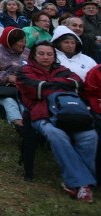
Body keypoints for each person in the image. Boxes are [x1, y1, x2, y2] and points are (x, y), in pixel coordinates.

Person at [17, 41, 96, 203]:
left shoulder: (63, 70)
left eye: (49, 54)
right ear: (34, 55)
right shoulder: (25, 71)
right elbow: (32, 89)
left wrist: (46, 87)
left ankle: (77, 182)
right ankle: (82, 184)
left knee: (89, 136)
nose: (46, 57)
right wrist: (60, 87)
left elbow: (76, 84)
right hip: (42, 114)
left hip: (69, 113)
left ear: (54, 56)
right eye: (41, 54)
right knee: (57, 135)